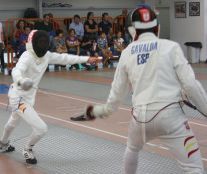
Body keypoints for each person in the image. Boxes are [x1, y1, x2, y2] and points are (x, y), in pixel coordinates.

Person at [85, 6, 206, 174]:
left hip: (140, 118)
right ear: (157, 27)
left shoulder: (127, 53)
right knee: (193, 168)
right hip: (171, 117)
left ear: (132, 30)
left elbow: (117, 91)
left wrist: (104, 110)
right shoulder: (171, 47)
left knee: (132, 148)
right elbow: (191, 85)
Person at [0, 30, 98, 165]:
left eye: (45, 42)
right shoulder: (26, 56)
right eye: (40, 42)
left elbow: (65, 58)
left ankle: (2, 143)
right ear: (32, 43)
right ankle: (27, 149)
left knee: (14, 121)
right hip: (18, 97)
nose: (43, 45)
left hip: (28, 98)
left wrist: (86, 59)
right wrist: (21, 81)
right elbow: (16, 70)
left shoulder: (47, 56)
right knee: (41, 128)